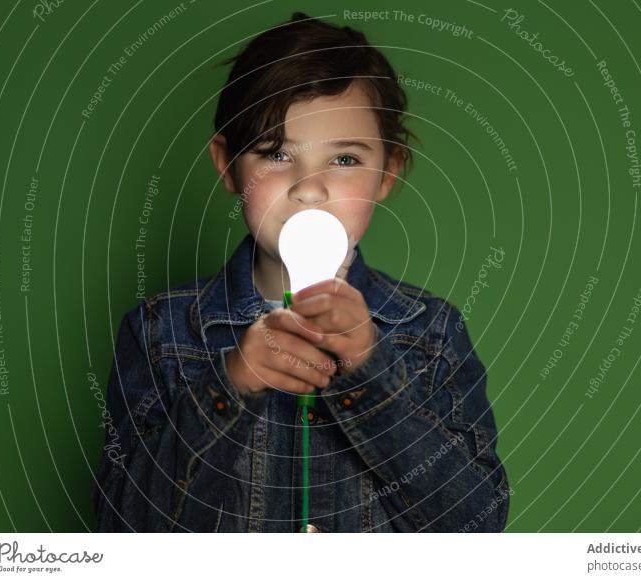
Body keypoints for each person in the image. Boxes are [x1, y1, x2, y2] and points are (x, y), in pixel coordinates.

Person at [93, 11, 509, 533]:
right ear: (227, 166)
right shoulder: (159, 333)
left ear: (388, 172)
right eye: (277, 154)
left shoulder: (431, 332)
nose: (309, 189)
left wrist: (368, 370)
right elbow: (123, 531)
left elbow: (476, 526)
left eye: (344, 160)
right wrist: (231, 388)